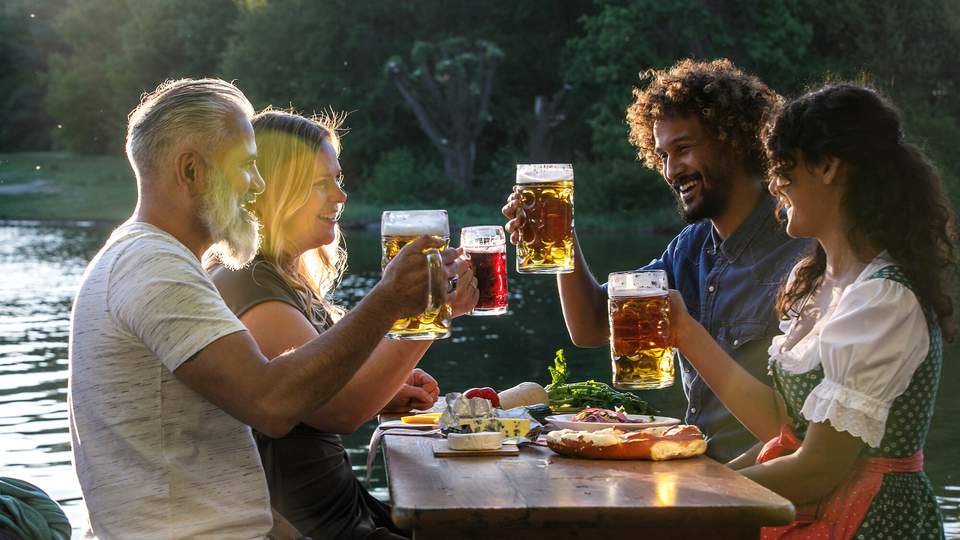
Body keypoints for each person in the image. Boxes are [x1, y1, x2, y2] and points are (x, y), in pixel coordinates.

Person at [68, 78, 457, 539]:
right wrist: (389, 299)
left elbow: (234, 463)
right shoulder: (154, 267)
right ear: (191, 170)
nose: (256, 186)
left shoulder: (150, 258)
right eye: (246, 167)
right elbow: (272, 403)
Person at [669, 84, 952, 538]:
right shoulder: (814, 281)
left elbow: (818, 469)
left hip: (872, 524)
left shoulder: (882, 300)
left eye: (784, 167)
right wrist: (686, 334)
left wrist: (700, 495)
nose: (774, 185)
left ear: (827, 167)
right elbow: (784, 426)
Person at [503, 59, 811, 462]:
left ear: (735, 140)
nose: (670, 170)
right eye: (662, 155)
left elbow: (800, 434)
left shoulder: (801, 251)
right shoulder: (690, 247)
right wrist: (562, 231)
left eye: (683, 149)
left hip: (756, 481)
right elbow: (590, 326)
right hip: (695, 465)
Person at [208, 109, 479, 540]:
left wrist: (386, 387)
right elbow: (342, 411)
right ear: (272, 189)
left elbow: (329, 390)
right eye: (321, 183)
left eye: (338, 179)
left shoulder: (283, 278)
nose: (340, 196)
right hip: (319, 529)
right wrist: (431, 316)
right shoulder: (249, 282)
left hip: (345, 512)